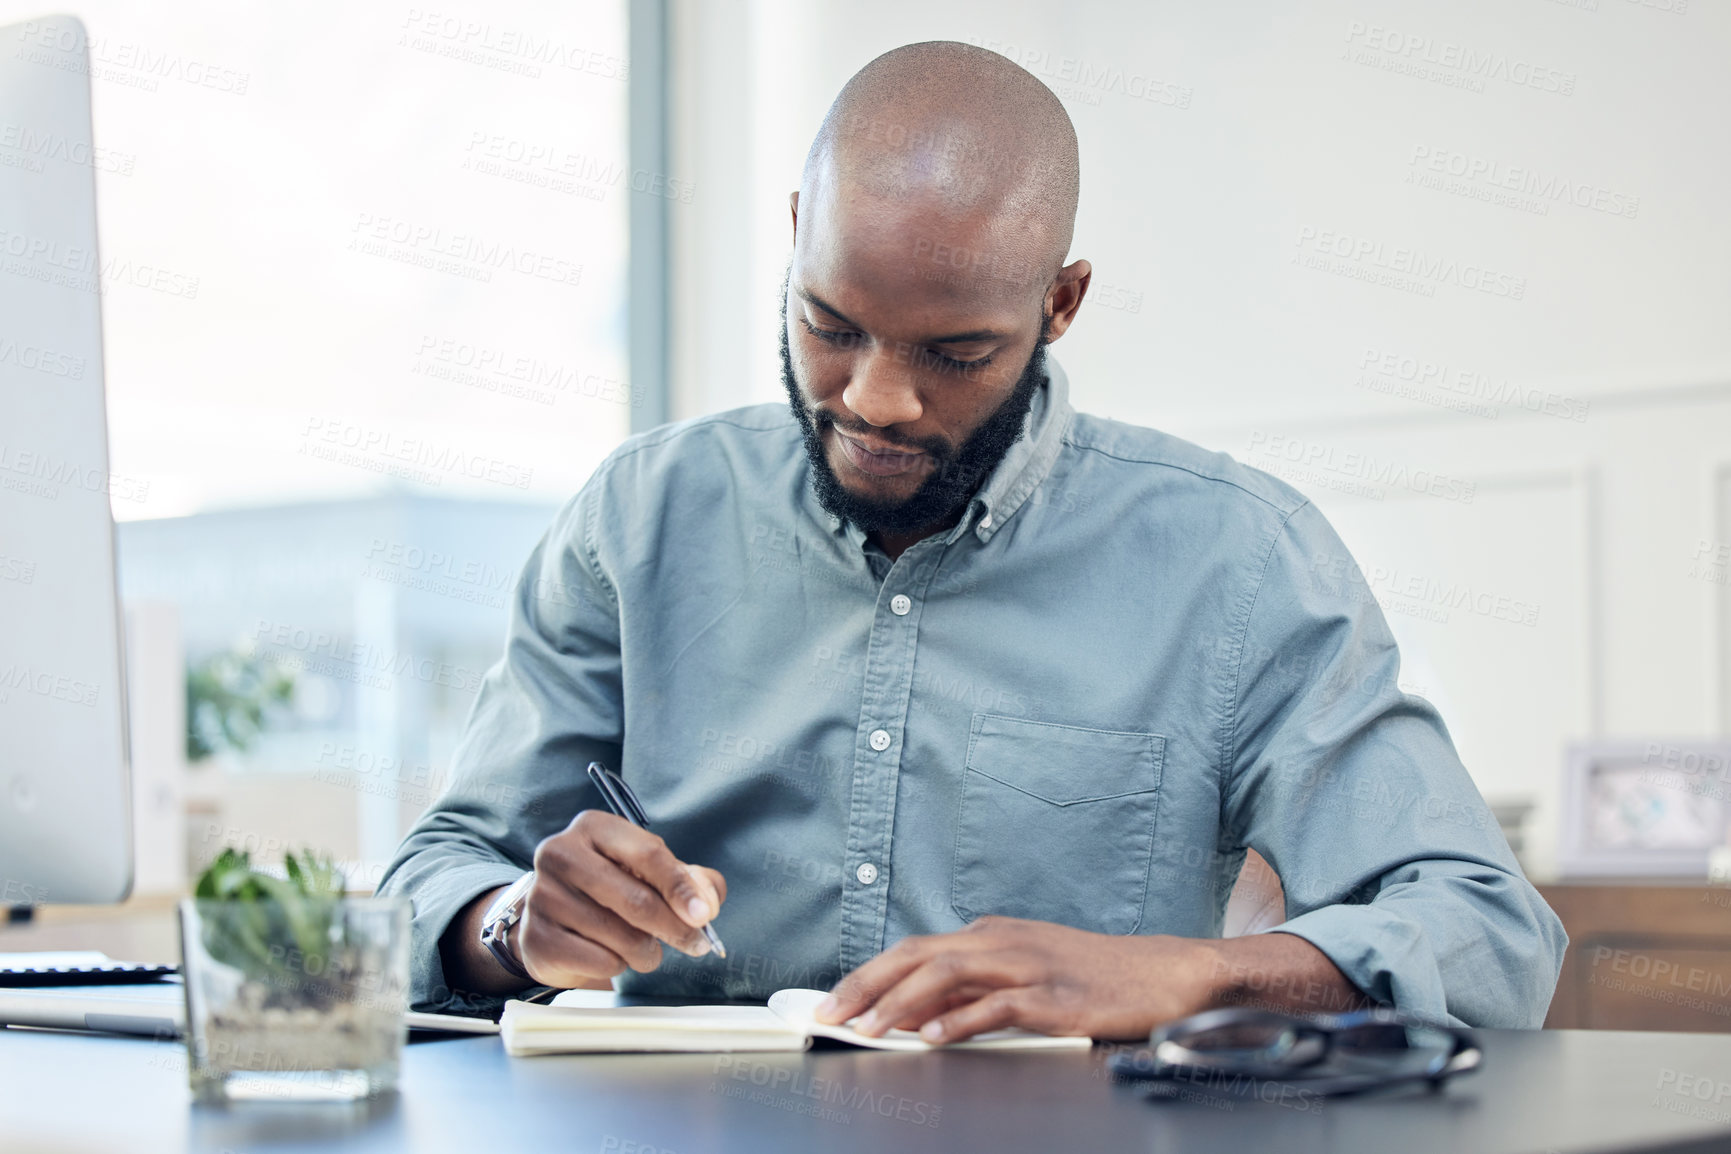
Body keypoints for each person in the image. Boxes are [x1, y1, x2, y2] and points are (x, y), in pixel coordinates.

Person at [377, 40, 1565, 1042]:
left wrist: (1182, 975)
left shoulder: (1239, 562)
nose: (879, 398)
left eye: (954, 353)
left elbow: (1492, 930)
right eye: (829, 325)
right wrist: (510, 923)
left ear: (1060, 302)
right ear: (796, 238)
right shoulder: (638, 516)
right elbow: (434, 873)